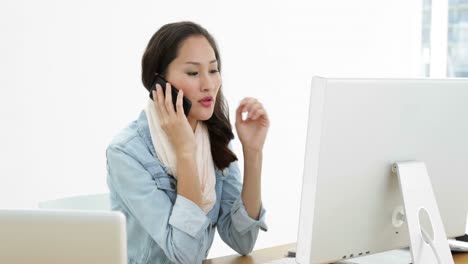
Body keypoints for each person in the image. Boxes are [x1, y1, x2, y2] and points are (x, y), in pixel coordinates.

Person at [106, 21, 269, 264]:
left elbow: (242, 240)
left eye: (213, 70)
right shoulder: (127, 153)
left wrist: (253, 152)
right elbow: (186, 256)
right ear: (159, 84)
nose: (208, 84)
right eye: (193, 73)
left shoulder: (211, 137)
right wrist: (185, 153)